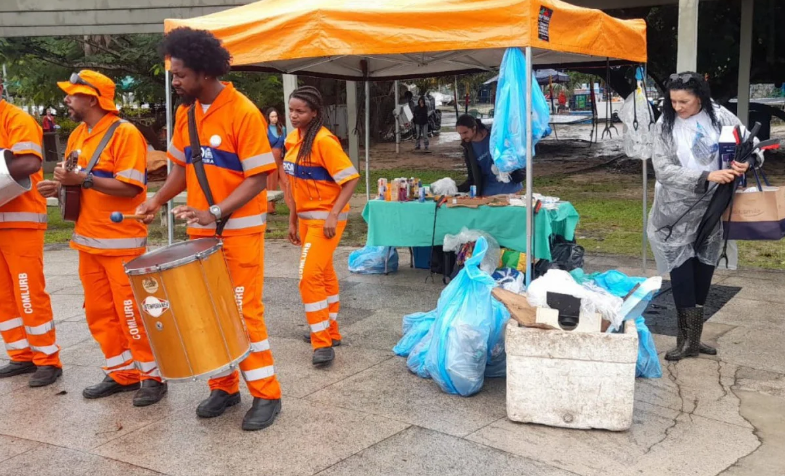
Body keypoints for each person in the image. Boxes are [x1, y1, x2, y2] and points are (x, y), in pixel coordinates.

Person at [137, 27, 282, 431]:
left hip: (239, 231)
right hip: (203, 232)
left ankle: (267, 393)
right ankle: (225, 386)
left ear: (203, 71)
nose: (175, 81)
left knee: (242, 311)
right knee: (208, 309)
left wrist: (215, 210)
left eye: (180, 74)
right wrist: (156, 200)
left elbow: (258, 177)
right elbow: (181, 172)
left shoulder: (243, 111)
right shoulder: (187, 114)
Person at [37, 70, 167, 405]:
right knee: (98, 312)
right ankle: (121, 372)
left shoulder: (124, 134)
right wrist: (59, 186)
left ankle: (152, 377)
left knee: (131, 312)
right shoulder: (80, 133)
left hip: (121, 243)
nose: (67, 99)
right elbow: (75, 180)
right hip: (87, 241)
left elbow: (131, 187)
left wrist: (84, 181)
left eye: (73, 94)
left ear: (91, 99)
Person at [647, 72, 749, 361]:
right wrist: (706, 176)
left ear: (700, 98)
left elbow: (750, 144)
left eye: (684, 101)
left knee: (704, 269)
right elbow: (663, 169)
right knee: (681, 272)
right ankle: (684, 340)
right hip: (675, 211)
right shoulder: (664, 125)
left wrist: (745, 162)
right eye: (673, 101)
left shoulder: (720, 117)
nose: (678, 107)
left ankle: (695, 339)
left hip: (713, 207)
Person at [285, 86, 360, 366]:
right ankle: (330, 331)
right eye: (291, 109)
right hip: (305, 221)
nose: (294, 115)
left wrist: (333, 215)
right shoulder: (293, 140)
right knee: (324, 273)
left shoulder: (324, 141)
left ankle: (322, 343)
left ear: (314, 113)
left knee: (308, 277)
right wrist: (292, 219)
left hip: (325, 224)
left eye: (300, 111)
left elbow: (351, 178)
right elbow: (293, 184)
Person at [0, 82, 63, 388]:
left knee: (27, 292)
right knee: (3, 296)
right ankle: (20, 354)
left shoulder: (17, 119)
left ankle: (47, 359)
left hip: (21, 222)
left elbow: (29, 163)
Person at [455, 114, 524, 197]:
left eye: (465, 132)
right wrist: (455, 189)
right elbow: (472, 177)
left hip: (512, 189)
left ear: (474, 128)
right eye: (460, 134)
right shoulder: (468, 148)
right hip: (488, 192)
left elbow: (516, 153)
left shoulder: (494, 134)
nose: (463, 137)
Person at [265, 107, 291, 213]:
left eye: (275, 116)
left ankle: (292, 206)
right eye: (272, 116)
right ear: (268, 118)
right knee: (271, 184)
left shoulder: (282, 128)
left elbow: (285, 144)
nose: (274, 118)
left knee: (286, 182)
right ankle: (270, 208)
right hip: (270, 158)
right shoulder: (265, 129)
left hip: (281, 158)